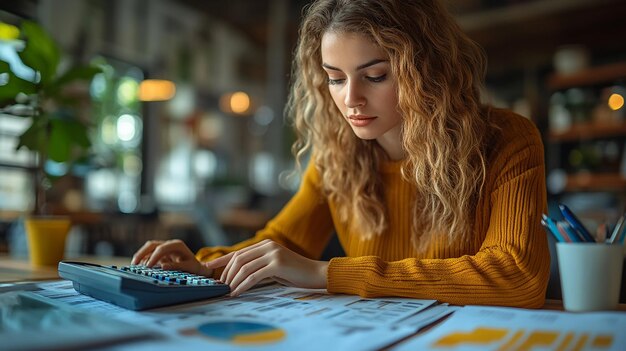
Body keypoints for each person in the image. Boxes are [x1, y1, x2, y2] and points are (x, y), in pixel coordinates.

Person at [132, 0, 550, 308]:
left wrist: (325, 273)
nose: (351, 99)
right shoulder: (337, 157)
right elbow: (281, 243)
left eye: (376, 75)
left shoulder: (506, 140)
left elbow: (517, 276)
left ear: (427, 68)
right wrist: (205, 268)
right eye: (335, 79)